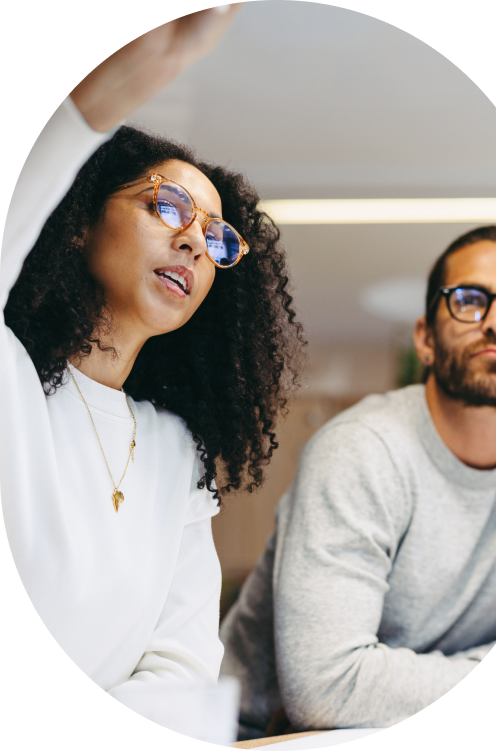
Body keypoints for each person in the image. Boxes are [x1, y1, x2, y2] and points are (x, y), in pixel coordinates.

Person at [1, 7, 304, 707]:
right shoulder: (10, 376)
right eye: (167, 207)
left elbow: (182, 663)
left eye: (216, 236)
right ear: (78, 222)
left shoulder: (176, 450)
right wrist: (114, 91)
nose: (197, 243)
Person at [219, 225, 496, 737]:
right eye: (468, 300)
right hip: (268, 735)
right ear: (424, 338)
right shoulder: (362, 449)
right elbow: (327, 688)